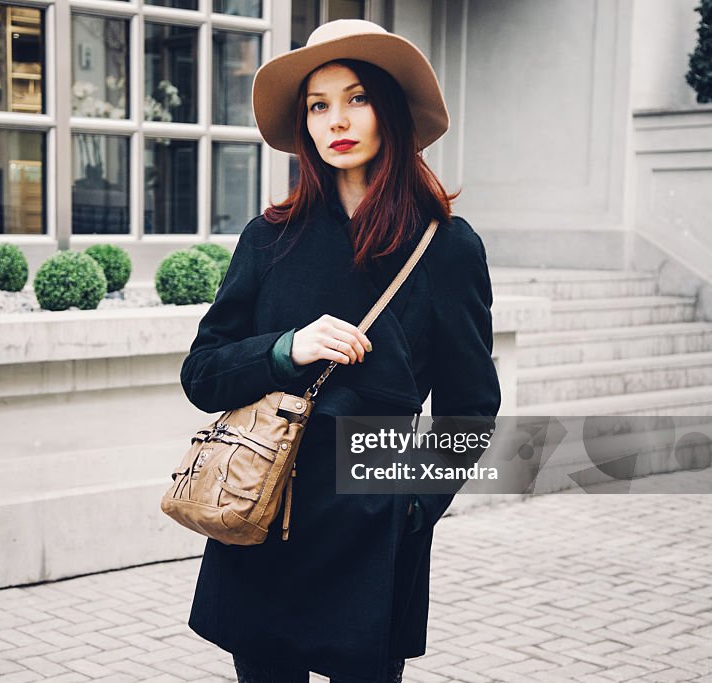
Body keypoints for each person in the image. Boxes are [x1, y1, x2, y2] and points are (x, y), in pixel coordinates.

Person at [179, 19, 500, 683]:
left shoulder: (447, 246)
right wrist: (287, 348)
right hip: (269, 512)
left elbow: (470, 407)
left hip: (373, 527)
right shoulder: (270, 238)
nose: (337, 120)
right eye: (318, 106)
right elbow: (203, 372)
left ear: (391, 110)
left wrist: (412, 505)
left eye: (356, 98)